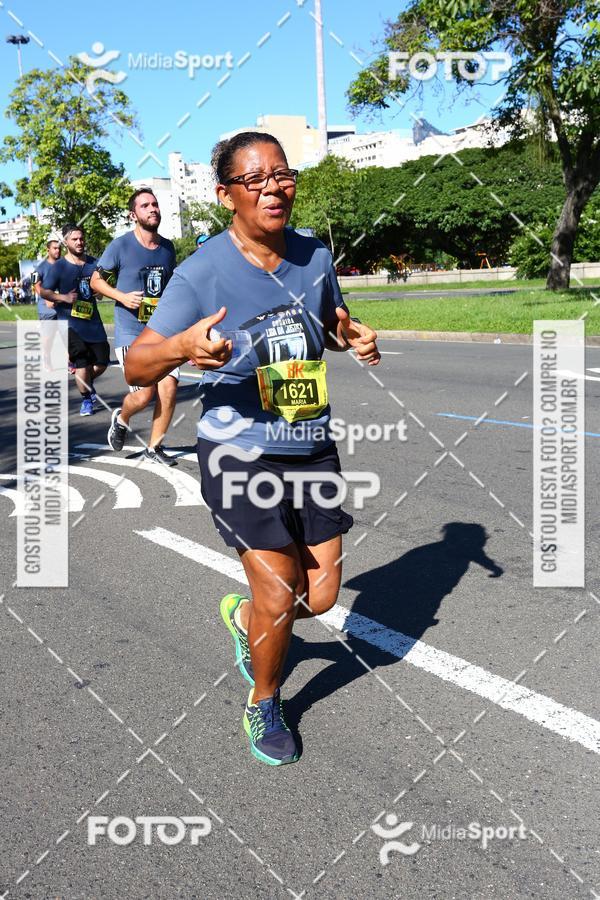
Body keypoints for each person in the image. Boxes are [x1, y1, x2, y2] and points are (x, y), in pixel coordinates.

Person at [124, 132, 380, 766]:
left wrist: (355, 337)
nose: (274, 188)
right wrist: (183, 347)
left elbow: (332, 325)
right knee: (279, 588)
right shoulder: (204, 270)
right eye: (256, 179)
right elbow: (135, 364)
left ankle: (246, 623)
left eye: (283, 175)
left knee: (318, 599)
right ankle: (265, 697)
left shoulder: (315, 255)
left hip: (308, 438)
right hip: (239, 448)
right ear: (226, 195)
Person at [90, 188, 178, 466]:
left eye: (155, 204)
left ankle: (154, 447)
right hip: (131, 331)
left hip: (162, 330)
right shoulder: (120, 246)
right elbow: (95, 282)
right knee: (144, 394)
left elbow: (171, 288)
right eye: (145, 206)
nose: (153, 209)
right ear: (133, 215)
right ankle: (122, 418)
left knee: (169, 387)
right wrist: (121, 296)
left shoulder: (168, 248)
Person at [40, 224, 109, 416]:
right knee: (82, 362)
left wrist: (99, 292)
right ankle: (86, 400)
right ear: (66, 242)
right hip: (70, 324)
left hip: (92, 321)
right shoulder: (59, 267)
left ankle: (86, 382)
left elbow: (101, 290)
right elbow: (44, 291)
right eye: (74, 239)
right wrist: (63, 298)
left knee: (102, 362)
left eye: (81, 238)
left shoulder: (94, 264)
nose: (79, 242)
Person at [33, 237, 62, 368]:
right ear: (48, 250)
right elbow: (36, 286)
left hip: (64, 307)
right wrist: (47, 299)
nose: (58, 250)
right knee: (48, 337)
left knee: (68, 335)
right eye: (55, 248)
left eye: (59, 248)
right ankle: (47, 358)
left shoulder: (63, 264)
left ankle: (70, 362)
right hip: (47, 309)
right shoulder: (40, 267)